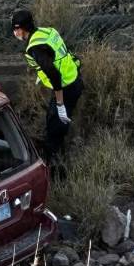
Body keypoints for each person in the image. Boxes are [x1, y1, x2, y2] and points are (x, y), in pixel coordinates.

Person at [12, 9, 83, 168]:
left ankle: (55, 166)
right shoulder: (47, 31)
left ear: (23, 28)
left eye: (16, 29)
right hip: (75, 78)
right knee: (58, 123)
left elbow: (54, 75)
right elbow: (59, 55)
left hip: (66, 87)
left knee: (54, 128)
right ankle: (61, 146)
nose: (15, 32)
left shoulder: (34, 47)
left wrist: (60, 104)